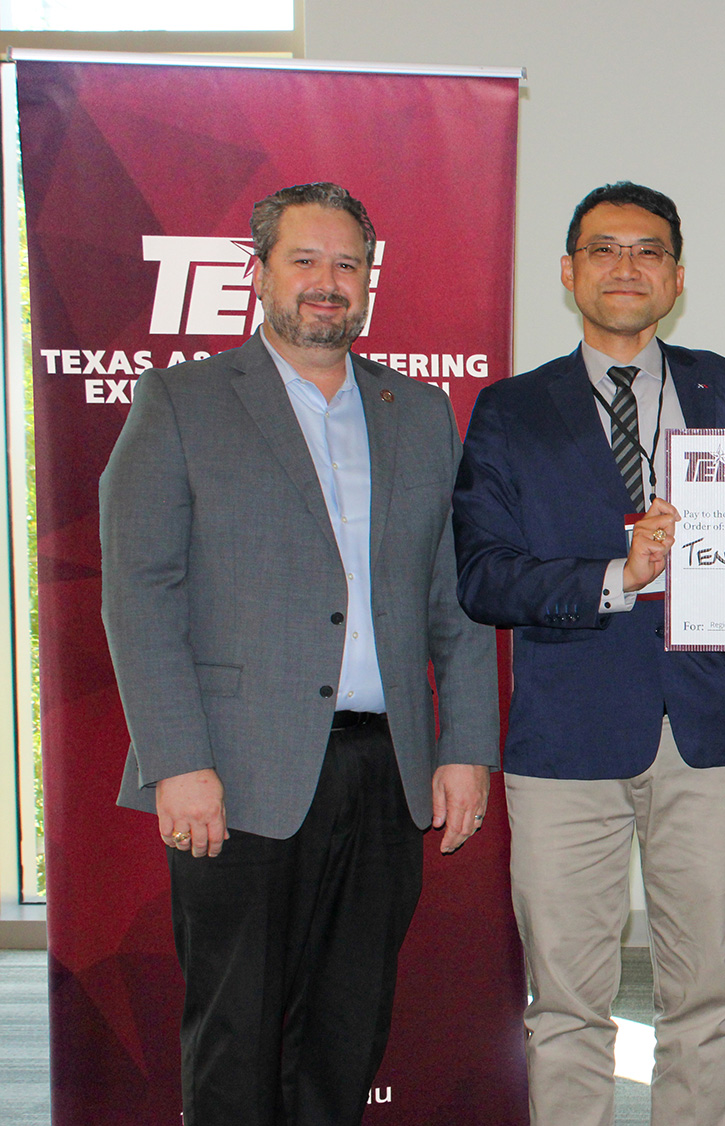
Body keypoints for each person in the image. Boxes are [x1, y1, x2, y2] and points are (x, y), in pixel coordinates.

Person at [100, 182, 499, 1126]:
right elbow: (139, 593)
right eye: (305, 261)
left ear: (369, 281)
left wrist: (465, 747)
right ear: (261, 272)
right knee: (235, 1036)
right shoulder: (183, 400)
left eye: (347, 265)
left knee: (347, 1031)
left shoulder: (419, 412)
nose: (328, 284)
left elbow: (456, 598)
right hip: (233, 775)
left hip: (384, 771)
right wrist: (179, 763)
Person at [452, 182, 725, 1126]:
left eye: (646, 251)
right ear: (568, 272)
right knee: (567, 1005)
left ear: (676, 278)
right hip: (567, 743)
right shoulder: (511, 410)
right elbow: (484, 576)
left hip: (711, 731)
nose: (625, 267)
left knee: (706, 1002)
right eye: (602, 249)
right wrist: (613, 575)